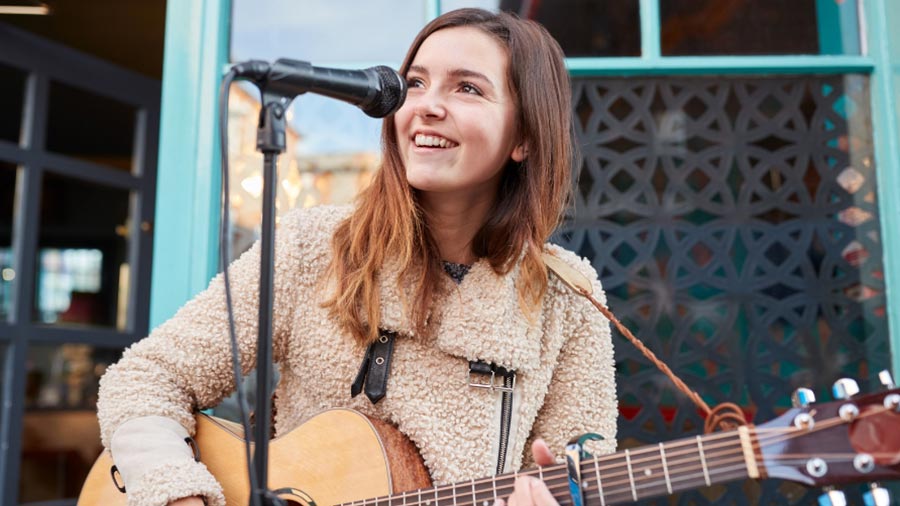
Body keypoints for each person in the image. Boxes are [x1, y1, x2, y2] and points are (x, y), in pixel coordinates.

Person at [97, 8, 617, 506]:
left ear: (524, 136)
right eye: (415, 83)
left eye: (467, 88)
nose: (426, 105)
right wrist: (175, 492)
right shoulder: (311, 246)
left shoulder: (567, 296)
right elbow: (144, 377)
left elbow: (579, 463)